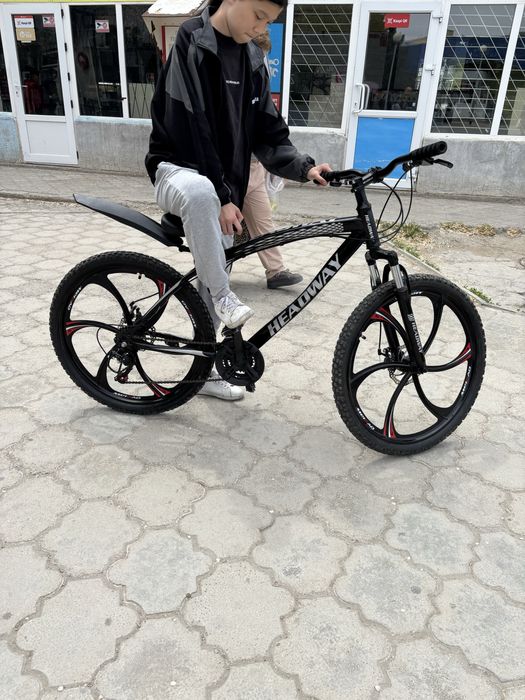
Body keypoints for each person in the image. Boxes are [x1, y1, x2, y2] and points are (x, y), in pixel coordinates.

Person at [146, 0, 331, 400]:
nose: (261, 27)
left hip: (223, 190)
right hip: (176, 171)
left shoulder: (252, 59)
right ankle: (224, 296)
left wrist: (304, 167)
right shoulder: (193, 41)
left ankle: (206, 372)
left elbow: (269, 132)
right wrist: (223, 194)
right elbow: (195, 124)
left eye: (270, 21)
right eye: (259, 15)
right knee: (202, 198)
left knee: (215, 272)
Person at [242, 29, 303, 289]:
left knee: (263, 219)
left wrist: (296, 166)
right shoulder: (236, 72)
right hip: (229, 169)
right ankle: (213, 278)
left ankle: (276, 272)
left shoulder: (258, 71)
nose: (262, 62)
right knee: (223, 226)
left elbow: (267, 123)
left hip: (253, 165)